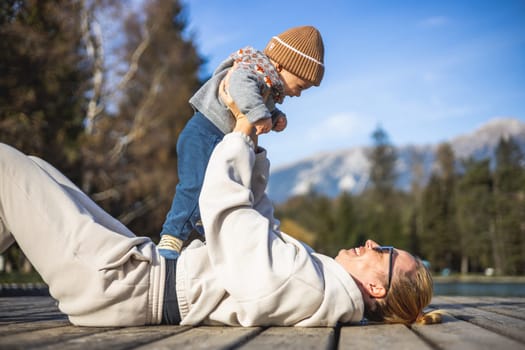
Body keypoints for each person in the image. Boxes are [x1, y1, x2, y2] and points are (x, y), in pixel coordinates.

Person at [0, 117, 440, 327]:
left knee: (6, 168)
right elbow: (259, 223)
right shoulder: (319, 282)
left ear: (377, 288)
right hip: (139, 275)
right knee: (32, 167)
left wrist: (240, 134)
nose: (371, 242)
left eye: (383, 252)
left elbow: (225, 215)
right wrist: (256, 150)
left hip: (121, 284)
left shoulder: (310, 286)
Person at [157, 25, 325, 259]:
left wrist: (275, 118)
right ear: (281, 66)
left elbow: (254, 102)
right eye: (301, 86)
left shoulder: (267, 86)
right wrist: (260, 114)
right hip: (204, 133)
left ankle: (214, 234)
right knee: (194, 188)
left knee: (218, 190)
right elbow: (240, 87)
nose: (298, 94)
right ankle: (170, 240)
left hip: (218, 138)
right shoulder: (252, 70)